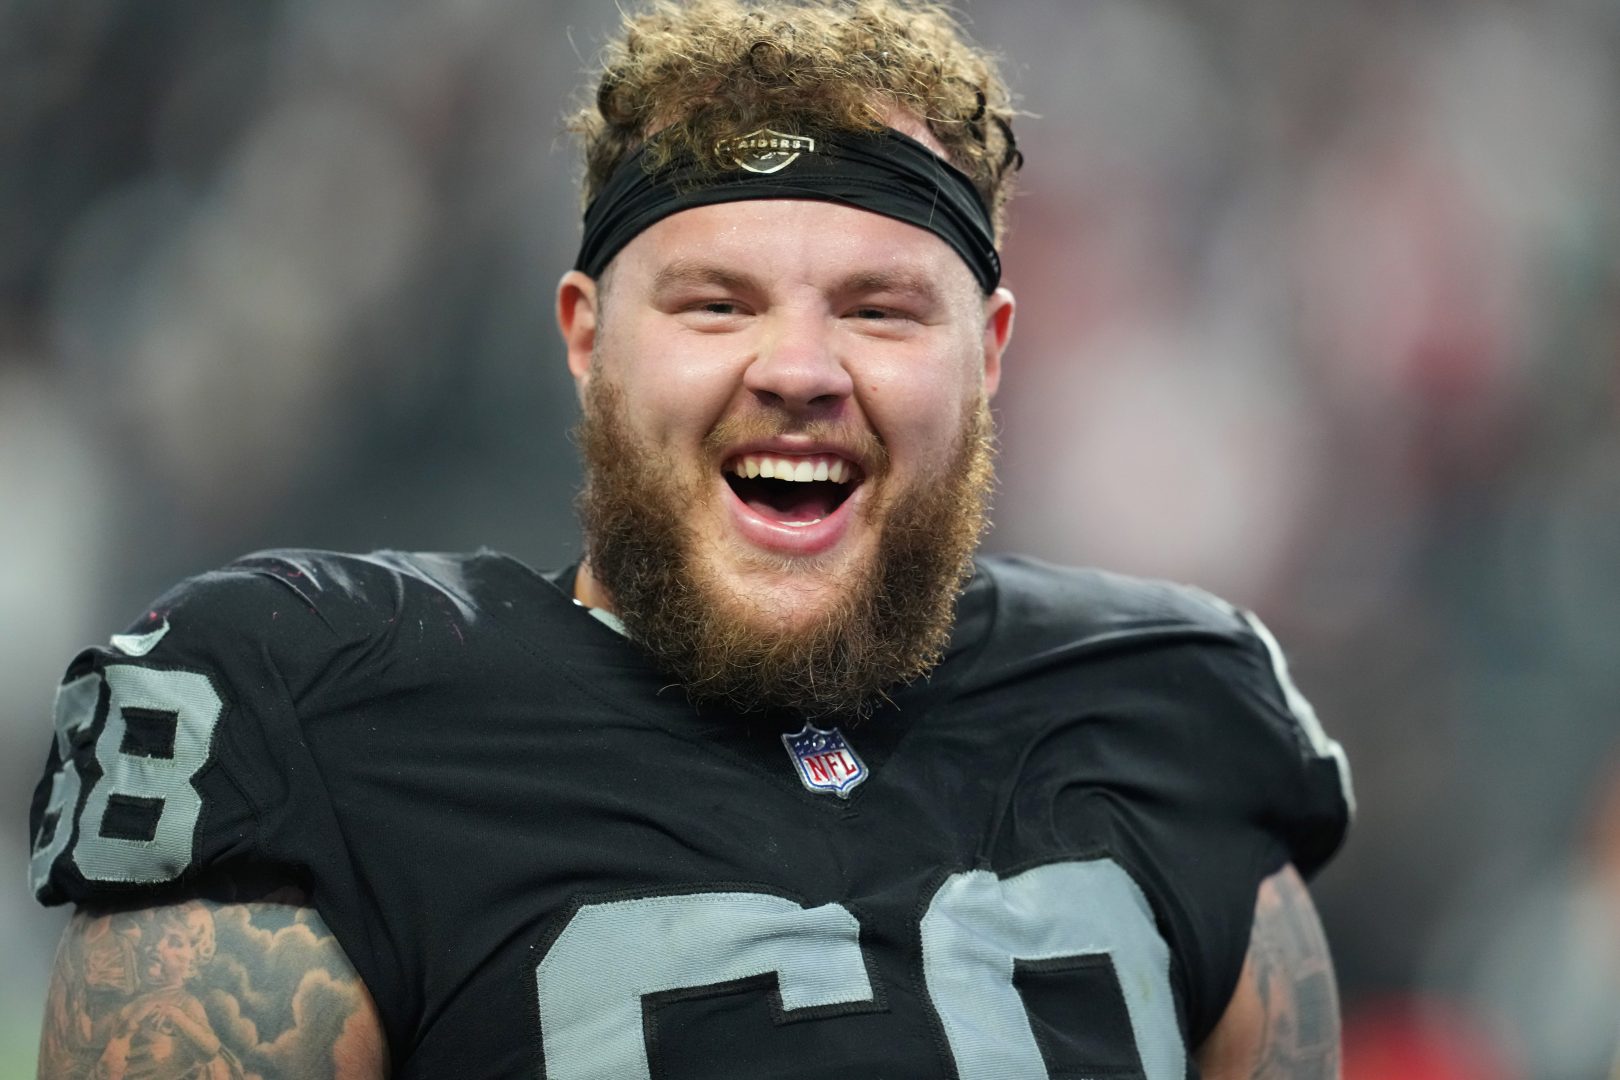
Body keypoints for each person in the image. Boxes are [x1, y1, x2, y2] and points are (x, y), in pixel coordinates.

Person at [29, 1, 1353, 1076]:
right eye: (716, 303)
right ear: (587, 341)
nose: (800, 366)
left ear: (988, 354)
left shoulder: (1172, 709)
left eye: (881, 309)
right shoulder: (311, 717)